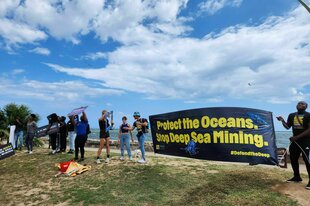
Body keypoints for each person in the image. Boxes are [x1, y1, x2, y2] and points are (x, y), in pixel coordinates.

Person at [277, 101, 310, 190]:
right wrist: (282, 120)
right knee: (293, 158)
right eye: (299, 103)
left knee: (306, 159)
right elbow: (287, 126)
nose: (300, 104)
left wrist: (296, 137)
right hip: (295, 141)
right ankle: (297, 177)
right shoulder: (292, 115)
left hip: (305, 141)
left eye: (303, 104)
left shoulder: (308, 115)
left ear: (306, 106)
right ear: (296, 106)